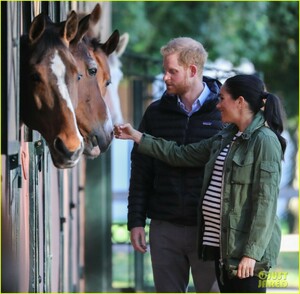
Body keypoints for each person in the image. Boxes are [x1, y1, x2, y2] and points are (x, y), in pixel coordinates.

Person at [114, 74, 286, 293]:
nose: (218, 104)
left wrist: (251, 255)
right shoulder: (227, 136)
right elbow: (180, 154)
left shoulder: (264, 140)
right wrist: (138, 137)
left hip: (245, 257)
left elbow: (265, 204)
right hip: (223, 250)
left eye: (223, 98)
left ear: (240, 102)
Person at [127, 37, 223, 292]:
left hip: (210, 231)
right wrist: (135, 220)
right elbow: (140, 170)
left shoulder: (223, 114)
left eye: (172, 71)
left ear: (192, 70)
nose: (165, 77)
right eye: (164, 70)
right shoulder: (155, 113)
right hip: (164, 228)